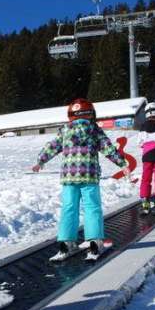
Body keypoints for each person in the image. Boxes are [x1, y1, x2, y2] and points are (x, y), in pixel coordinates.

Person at [32, 98, 128, 259]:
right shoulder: (94, 129)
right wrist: (122, 163)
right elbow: (107, 147)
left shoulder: (65, 130)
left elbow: (52, 146)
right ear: (90, 113)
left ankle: (67, 242)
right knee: (92, 207)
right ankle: (95, 241)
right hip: (89, 175)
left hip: (69, 177)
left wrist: (40, 161)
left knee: (69, 208)